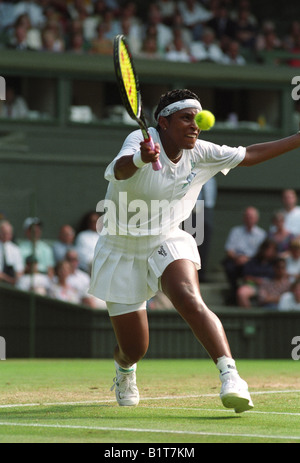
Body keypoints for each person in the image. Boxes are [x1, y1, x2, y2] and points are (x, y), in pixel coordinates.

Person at [88, 88, 300, 414]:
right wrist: (142, 158)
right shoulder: (139, 139)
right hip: (121, 247)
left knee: (188, 296)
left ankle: (231, 376)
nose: (194, 125)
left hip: (166, 238)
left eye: (197, 119)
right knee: (134, 348)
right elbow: (118, 170)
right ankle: (125, 369)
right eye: (186, 119)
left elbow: (250, 154)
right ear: (164, 122)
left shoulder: (200, 152)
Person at [222, 206, 267, 303]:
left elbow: (261, 253)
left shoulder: (261, 234)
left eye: (251, 217)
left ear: (256, 219)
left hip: (252, 261)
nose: (249, 219)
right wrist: (237, 258)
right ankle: (234, 292)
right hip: (236, 260)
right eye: (247, 216)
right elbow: (229, 249)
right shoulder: (235, 231)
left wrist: (247, 259)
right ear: (243, 218)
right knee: (228, 265)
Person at [236, 238, 278, 308]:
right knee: (242, 293)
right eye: (267, 248)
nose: (269, 251)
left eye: (272, 249)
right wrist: (257, 280)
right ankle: (250, 316)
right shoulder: (253, 262)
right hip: (254, 286)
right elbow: (246, 277)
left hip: (272, 288)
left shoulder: (277, 263)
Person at [0, 220, 24, 285]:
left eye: (8, 233)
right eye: (3, 233)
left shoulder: (15, 249)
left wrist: (16, 280)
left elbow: (19, 271)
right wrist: (9, 280)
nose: (6, 235)